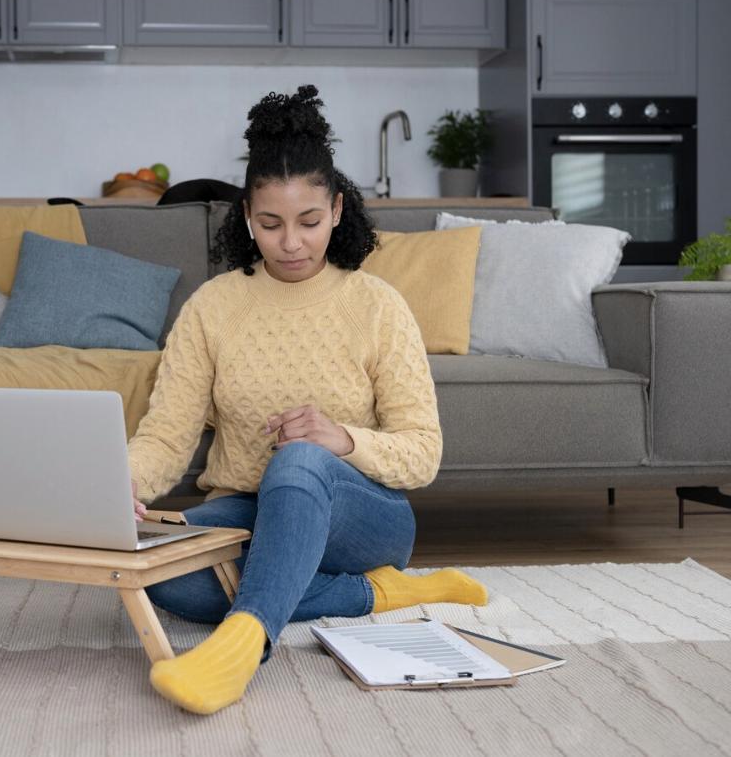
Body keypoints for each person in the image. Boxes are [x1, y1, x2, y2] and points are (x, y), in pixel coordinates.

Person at [126, 85, 487, 715]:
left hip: (362, 517)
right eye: (270, 224)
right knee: (159, 574)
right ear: (246, 218)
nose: (291, 242)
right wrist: (116, 489)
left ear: (339, 210)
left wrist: (341, 439)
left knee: (295, 458)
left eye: (309, 222)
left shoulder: (377, 307)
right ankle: (375, 596)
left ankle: (243, 644)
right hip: (248, 509)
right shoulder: (212, 307)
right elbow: (166, 436)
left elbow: (423, 453)